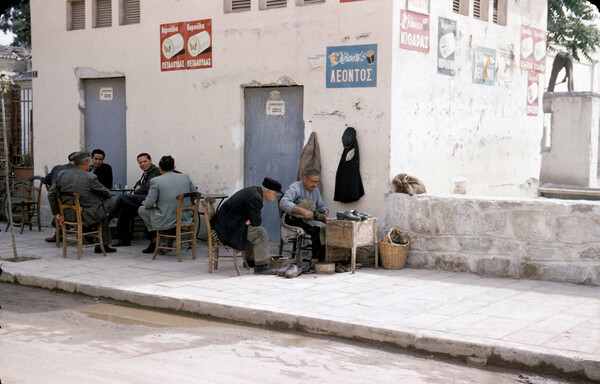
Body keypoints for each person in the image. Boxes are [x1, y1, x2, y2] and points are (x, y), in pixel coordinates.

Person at [47, 151, 116, 253]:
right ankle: (101, 243)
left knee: (102, 213)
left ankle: (102, 241)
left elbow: (51, 194)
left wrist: (56, 213)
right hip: (84, 215)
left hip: (66, 215)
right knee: (112, 200)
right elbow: (106, 193)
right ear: (87, 162)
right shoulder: (90, 177)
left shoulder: (62, 174)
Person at [211, 177, 283, 275]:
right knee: (260, 232)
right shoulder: (256, 197)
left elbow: (253, 220)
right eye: (275, 194)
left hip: (226, 223)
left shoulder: (254, 191)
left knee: (252, 229)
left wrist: (250, 220)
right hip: (227, 228)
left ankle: (251, 260)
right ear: (268, 192)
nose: (274, 197)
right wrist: (249, 220)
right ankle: (260, 267)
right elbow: (257, 222)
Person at [137, 155, 197, 254]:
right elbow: (195, 195)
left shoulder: (156, 181)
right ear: (174, 168)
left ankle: (159, 234)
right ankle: (163, 234)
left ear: (159, 168)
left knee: (141, 209)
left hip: (167, 218)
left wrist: (148, 203)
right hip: (185, 216)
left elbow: (149, 204)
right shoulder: (185, 177)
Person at [108, 153, 160, 247]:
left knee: (122, 197)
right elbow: (138, 183)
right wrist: (137, 186)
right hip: (141, 199)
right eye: (140, 162)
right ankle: (124, 239)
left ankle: (110, 216)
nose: (143, 164)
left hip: (149, 200)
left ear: (150, 160)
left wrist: (138, 189)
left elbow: (147, 187)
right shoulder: (146, 172)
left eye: (145, 161)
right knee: (125, 208)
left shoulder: (154, 171)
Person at [279, 169, 328, 262]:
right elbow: (283, 203)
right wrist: (302, 210)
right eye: (312, 181)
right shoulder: (295, 187)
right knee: (317, 229)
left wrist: (325, 210)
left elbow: (321, 205)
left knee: (328, 227)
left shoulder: (315, 190)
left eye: (317, 182)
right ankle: (315, 259)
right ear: (305, 179)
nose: (315, 184)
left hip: (308, 219)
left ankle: (325, 257)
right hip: (293, 218)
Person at [42, 152, 77, 242]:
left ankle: (59, 233)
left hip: (57, 202)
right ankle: (86, 234)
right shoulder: (78, 170)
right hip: (72, 203)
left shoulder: (57, 168)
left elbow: (45, 180)